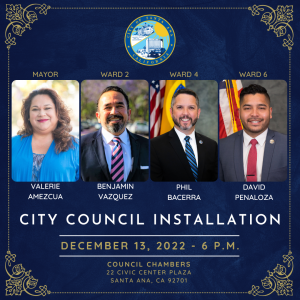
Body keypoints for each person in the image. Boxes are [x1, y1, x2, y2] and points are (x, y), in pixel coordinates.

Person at [219, 84, 287, 182]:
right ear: (238, 113)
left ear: (270, 112)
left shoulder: (290, 146)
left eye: (261, 108)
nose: (254, 114)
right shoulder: (222, 147)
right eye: (247, 108)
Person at [81, 86, 149, 182]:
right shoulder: (80, 147)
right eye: (107, 107)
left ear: (129, 114)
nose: (114, 112)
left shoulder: (148, 146)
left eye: (119, 106)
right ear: (98, 116)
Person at [151, 88, 218, 182]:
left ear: (198, 113)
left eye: (191, 108)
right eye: (180, 107)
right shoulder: (154, 146)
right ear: (171, 112)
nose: (185, 113)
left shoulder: (211, 146)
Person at [12, 88, 79, 182]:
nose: (41, 114)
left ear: (58, 113)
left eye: (47, 108)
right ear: (28, 116)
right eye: (35, 109)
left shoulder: (77, 147)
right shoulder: (11, 144)